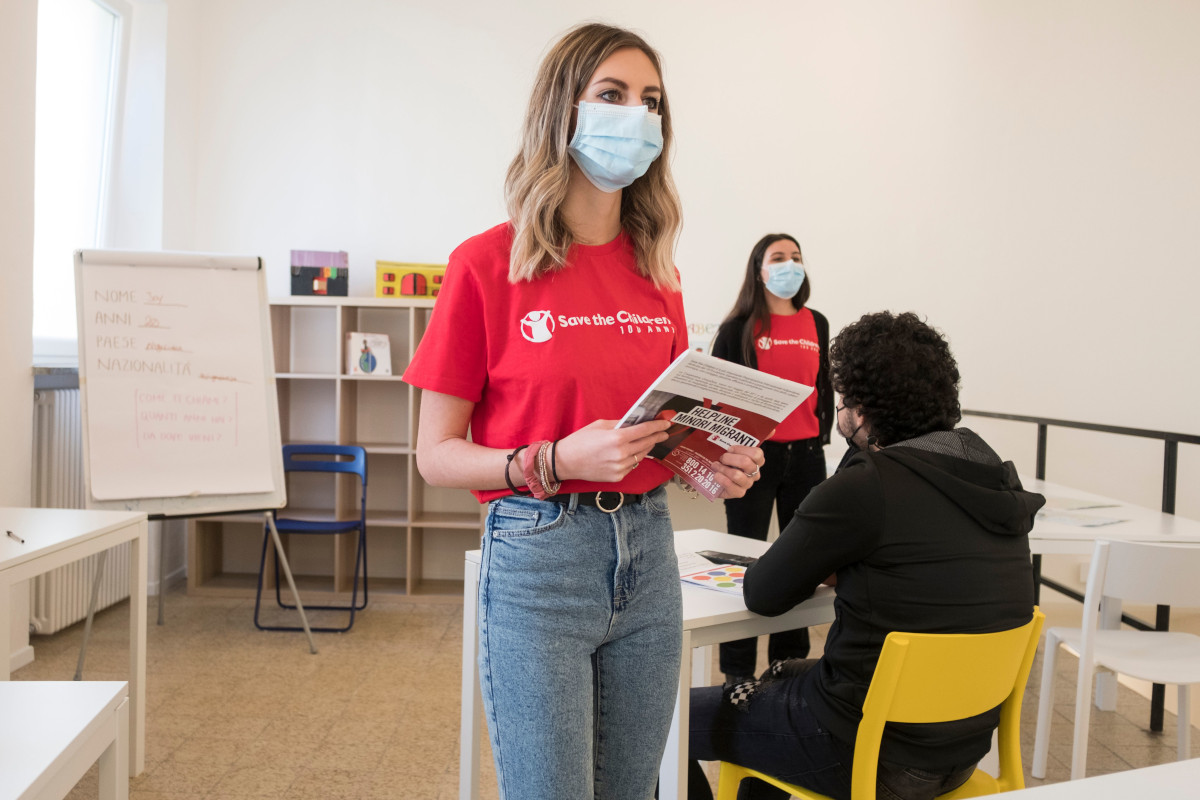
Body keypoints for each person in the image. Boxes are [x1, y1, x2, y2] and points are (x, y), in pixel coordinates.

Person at [402, 23, 764, 800]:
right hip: (538, 558)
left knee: (633, 791)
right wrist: (555, 459)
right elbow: (435, 454)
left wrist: (716, 466)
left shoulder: (657, 275)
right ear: (562, 109)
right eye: (612, 95)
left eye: (651, 101)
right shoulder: (484, 265)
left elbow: (654, 438)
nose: (636, 115)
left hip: (648, 552)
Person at [687, 311, 1044, 800]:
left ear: (861, 408)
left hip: (868, 750)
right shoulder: (988, 472)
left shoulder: (867, 485)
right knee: (781, 674)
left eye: (842, 399)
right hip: (958, 749)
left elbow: (764, 593)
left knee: (668, 715)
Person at [710, 233, 833, 686]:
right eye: (778, 258)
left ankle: (787, 664)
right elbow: (719, 399)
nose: (789, 265)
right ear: (758, 269)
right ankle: (737, 672)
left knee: (802, 560)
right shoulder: (738, 328)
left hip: (806, 457)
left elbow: (825, 389)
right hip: (752, 457)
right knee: (742, 560)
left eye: (796, 257)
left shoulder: (815, 322)